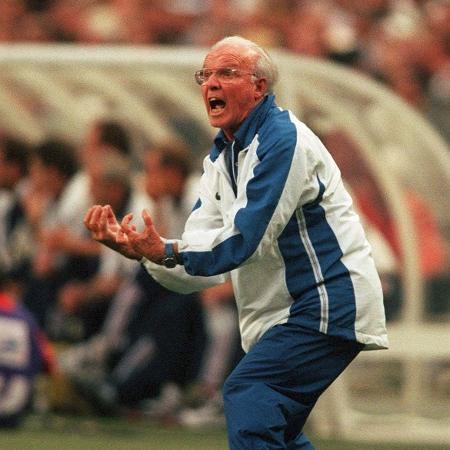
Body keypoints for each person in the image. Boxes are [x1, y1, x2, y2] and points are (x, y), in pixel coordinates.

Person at [84, 36, 388, 449]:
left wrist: (167, 251)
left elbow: (244, 241)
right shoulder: (220, 159)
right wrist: (145, 253)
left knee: (249, 392)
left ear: (260, 86)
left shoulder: (283, 140)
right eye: (205, 75)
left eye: (226, 73)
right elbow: (200, 254)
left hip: (326, 302)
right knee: (276, 430)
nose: (210, 84)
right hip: (289, 314)